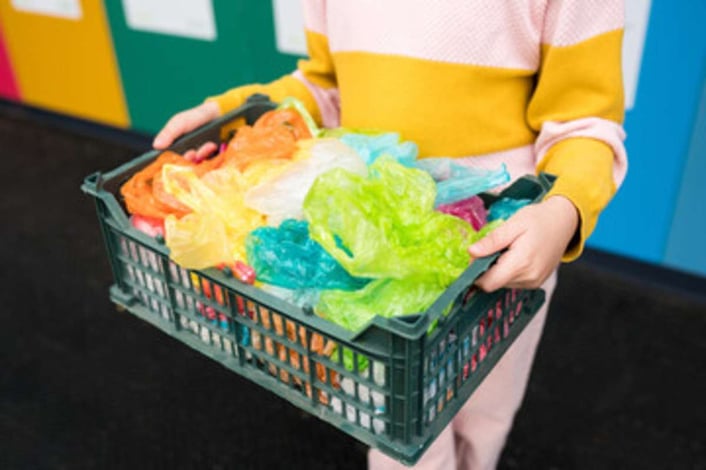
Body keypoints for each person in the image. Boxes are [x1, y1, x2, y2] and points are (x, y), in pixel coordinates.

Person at [153, 1, 628, 468]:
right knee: (396, 434)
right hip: (369, 260)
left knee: (485, 411)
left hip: (499, 252)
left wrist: (563, 211)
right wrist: (233, 112)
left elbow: (584, 122)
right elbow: (324, 86)